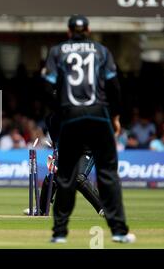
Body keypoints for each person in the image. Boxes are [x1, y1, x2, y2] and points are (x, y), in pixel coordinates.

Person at [42, 15, 135, 243]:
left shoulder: (57, 51)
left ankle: (59, 234)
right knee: (107, 175)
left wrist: (61, 109)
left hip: (71, 116)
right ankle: (119, 231)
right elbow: (114, 87)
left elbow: (46, 88)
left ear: (69, 31)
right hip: (97, 115)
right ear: (89, 30)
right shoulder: (101, 51)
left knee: (66, 176)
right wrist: (115, 117)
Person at [24, 113, 104, 217]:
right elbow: (55, 139)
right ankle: (41, 210)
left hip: (87, 150)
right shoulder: (51, 118)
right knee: (52, 177)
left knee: (78, 178)